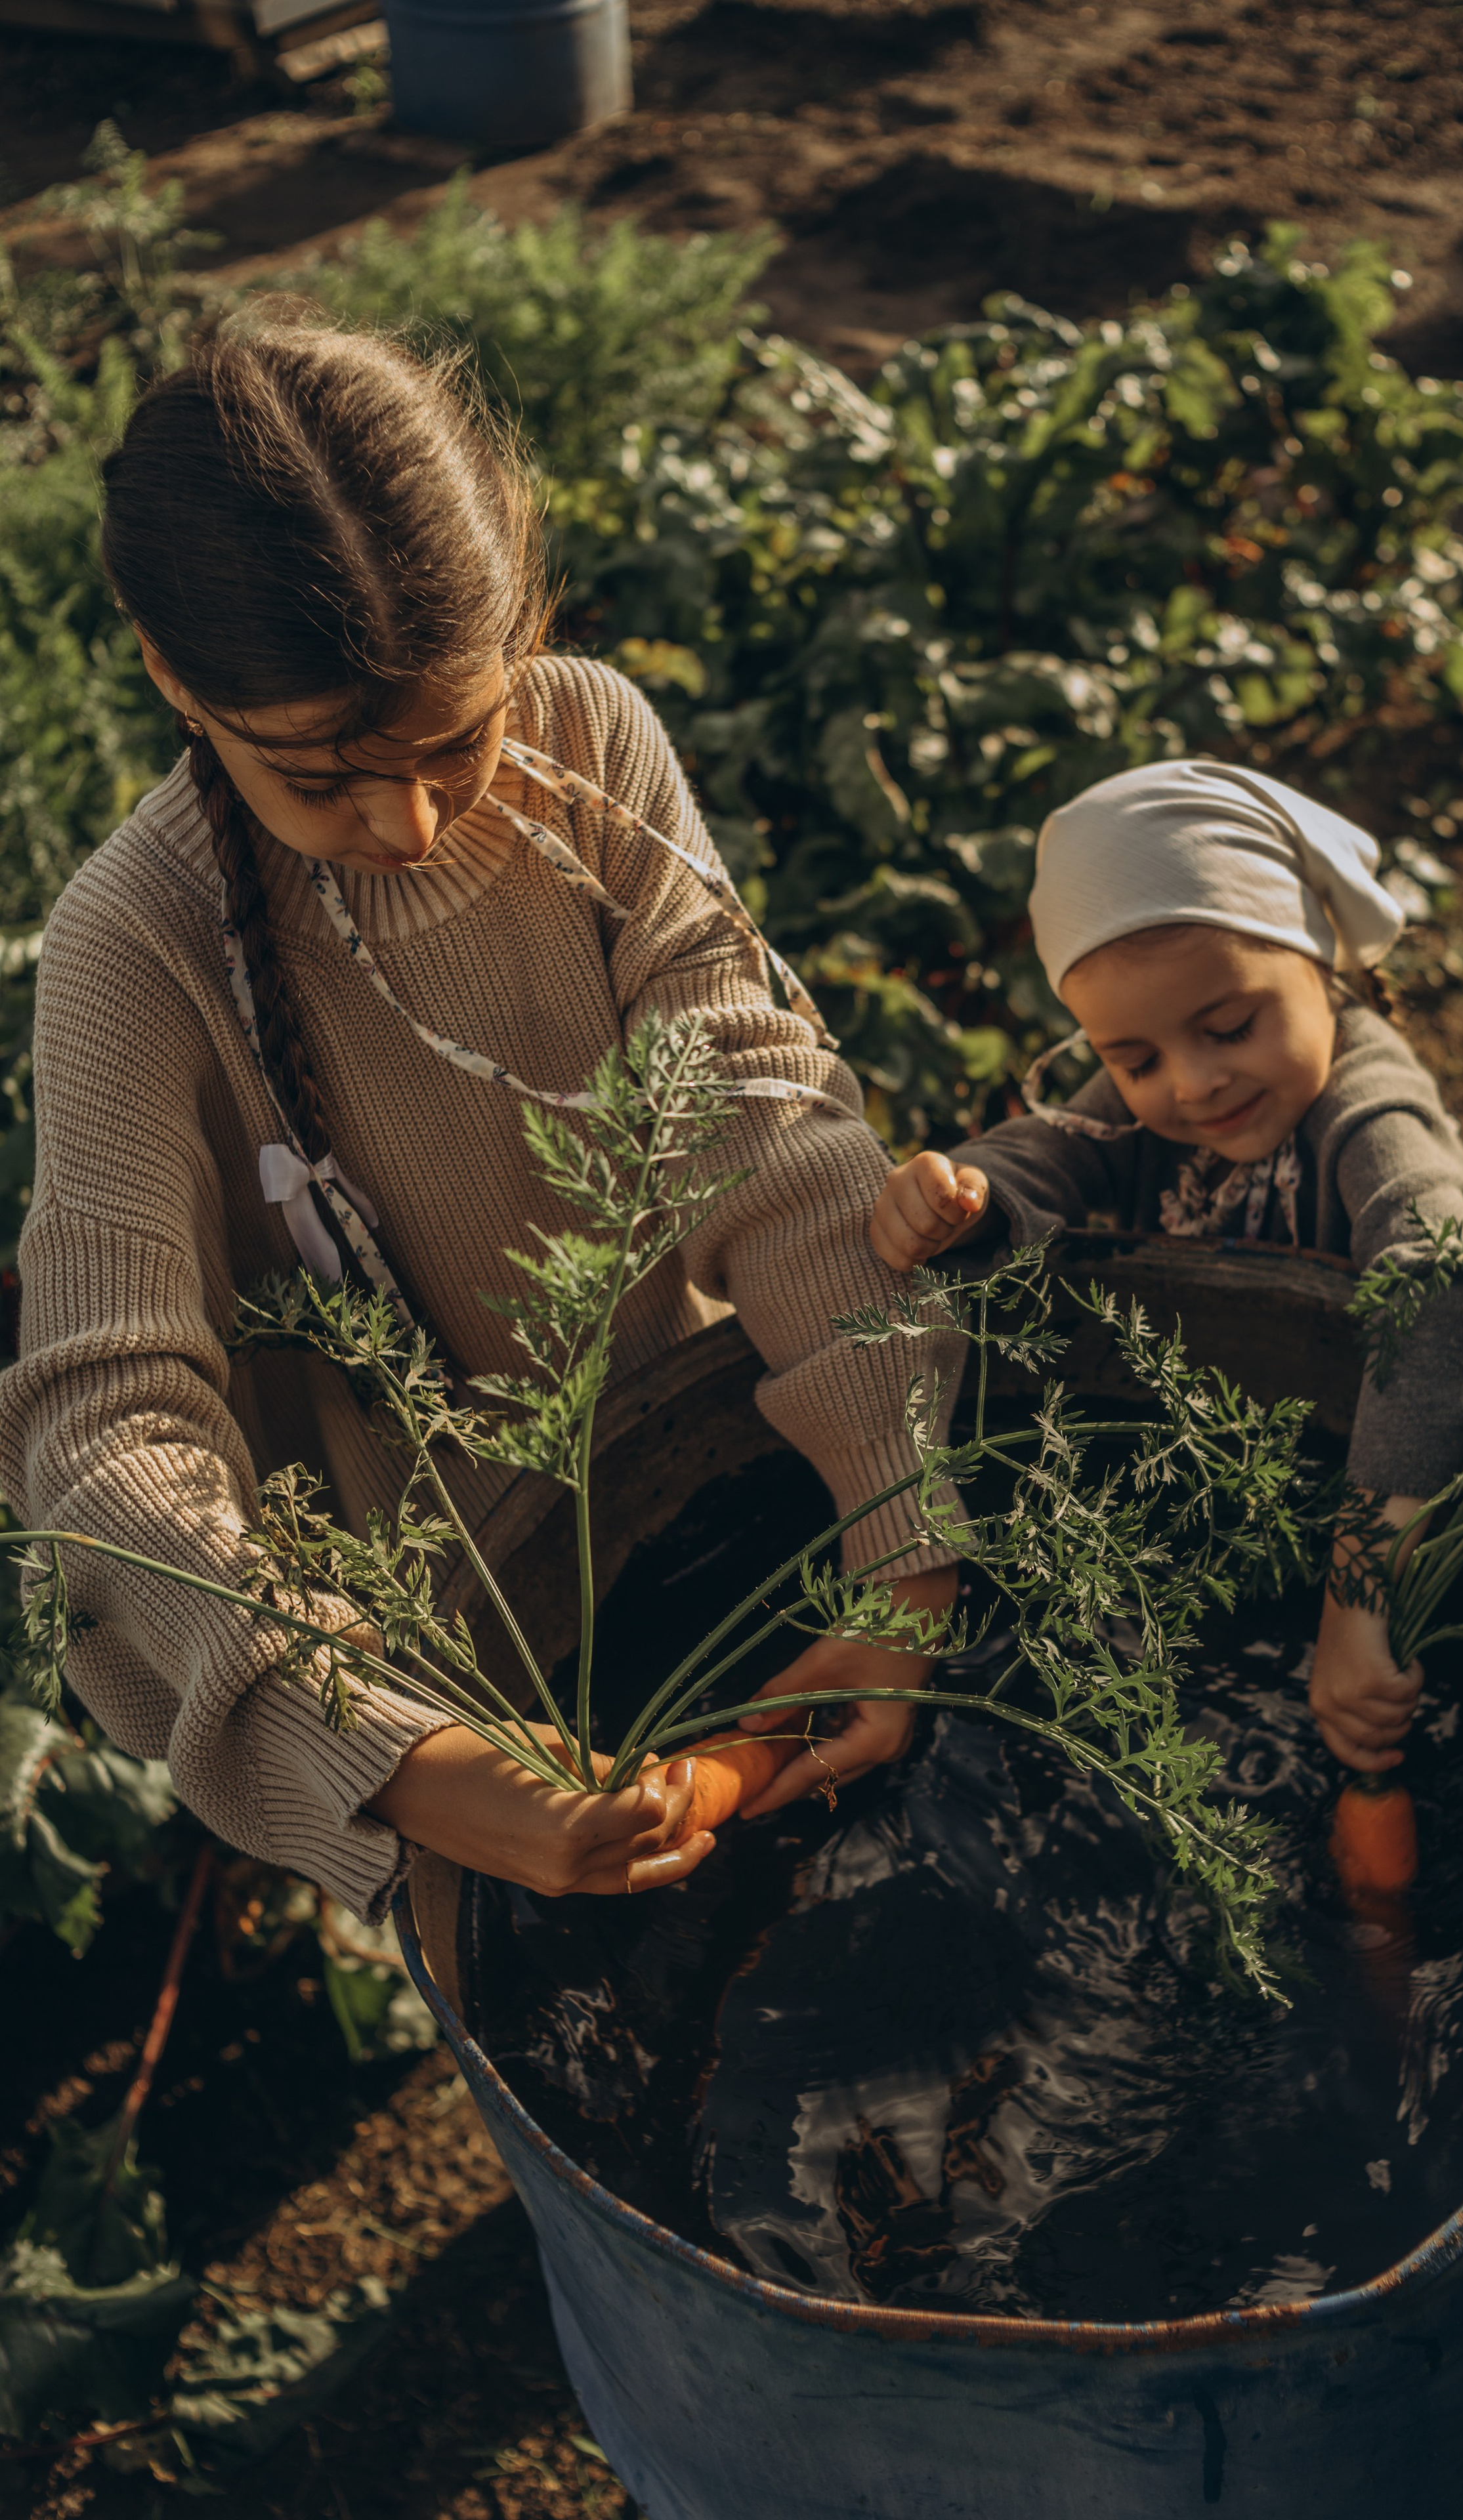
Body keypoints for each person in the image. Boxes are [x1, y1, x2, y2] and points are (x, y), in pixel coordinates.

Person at [0, 316, 960, 1921]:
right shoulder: (136, 945)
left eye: (457, 742)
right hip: (442, 1649)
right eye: (322, 778)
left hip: (723, 1473)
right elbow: (103, 1432)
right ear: (172, 675)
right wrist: (407, 1760)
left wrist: (900, 1531)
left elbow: (763, 1130)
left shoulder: (588, 747)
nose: (410, 821)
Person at [868, 758, 1463, 1776]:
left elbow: (1448, 1294)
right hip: (1219, 1468)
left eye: (1229, 1030)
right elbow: (1050, 1150)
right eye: (1135, 1062)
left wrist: (1358, 1594)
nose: (1194, 1083)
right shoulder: (1161, 1090)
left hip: (1382, 1484)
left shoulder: (1367, 1113)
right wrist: (966, 1195)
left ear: (1316, 962)